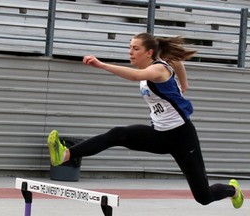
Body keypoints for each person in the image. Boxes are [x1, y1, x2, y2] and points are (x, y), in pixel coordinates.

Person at [47, 32, 244, 208]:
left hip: (182, 137)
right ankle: (65, 155)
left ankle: (233, 190)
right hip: (159, 134)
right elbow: (177, 62)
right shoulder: (162, 62)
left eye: (135, 48)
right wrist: (184, 83)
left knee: (203, 196)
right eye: (129, 47)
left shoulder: (157, 70)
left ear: (149, 52)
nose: (130, 52)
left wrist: (101, 64)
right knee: (118, 134)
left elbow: (137, 76)